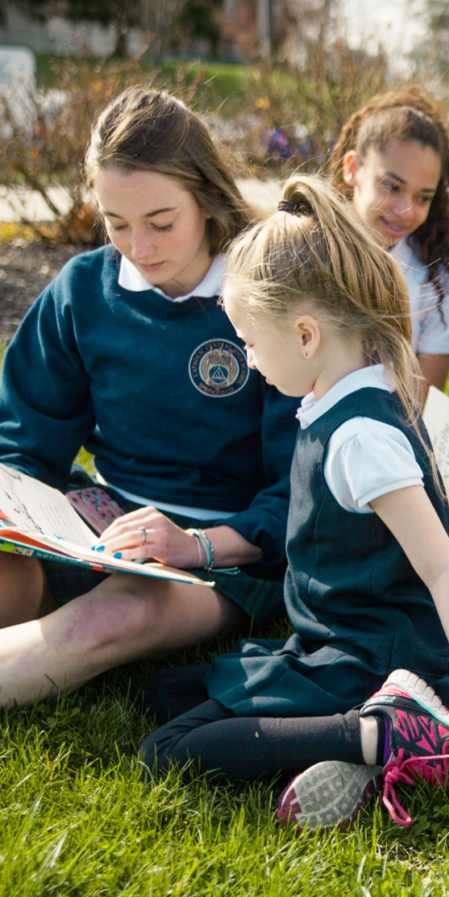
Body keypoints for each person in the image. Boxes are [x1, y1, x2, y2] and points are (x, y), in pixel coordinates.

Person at [138, 176, 449, 832]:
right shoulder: (342, 395)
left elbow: (444, 570)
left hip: (373, 652)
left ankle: (387, 734)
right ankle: (360, 738)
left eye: (252, 343)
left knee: (165, 751)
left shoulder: (361, 436)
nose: (251, 363)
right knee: (163, 690)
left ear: (306, 335)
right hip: (334, 638)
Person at [0, 88, 296, 709]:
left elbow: (300, 491)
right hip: (105, 523)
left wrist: (198, 544)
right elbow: (24, 437)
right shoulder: (83, 290)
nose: (138, 246)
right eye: (116, 223)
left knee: (109, 619)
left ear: (208, 196)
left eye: (161, 222)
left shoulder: (269, 297)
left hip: (227, 552)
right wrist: (16, 506)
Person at [328, 86, 449, 393]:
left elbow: (420, 403)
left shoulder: (442, 278)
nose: (406, 211)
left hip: (389, 434)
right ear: (353, 169)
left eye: (423, 197)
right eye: (392, 186)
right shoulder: (302, 252)